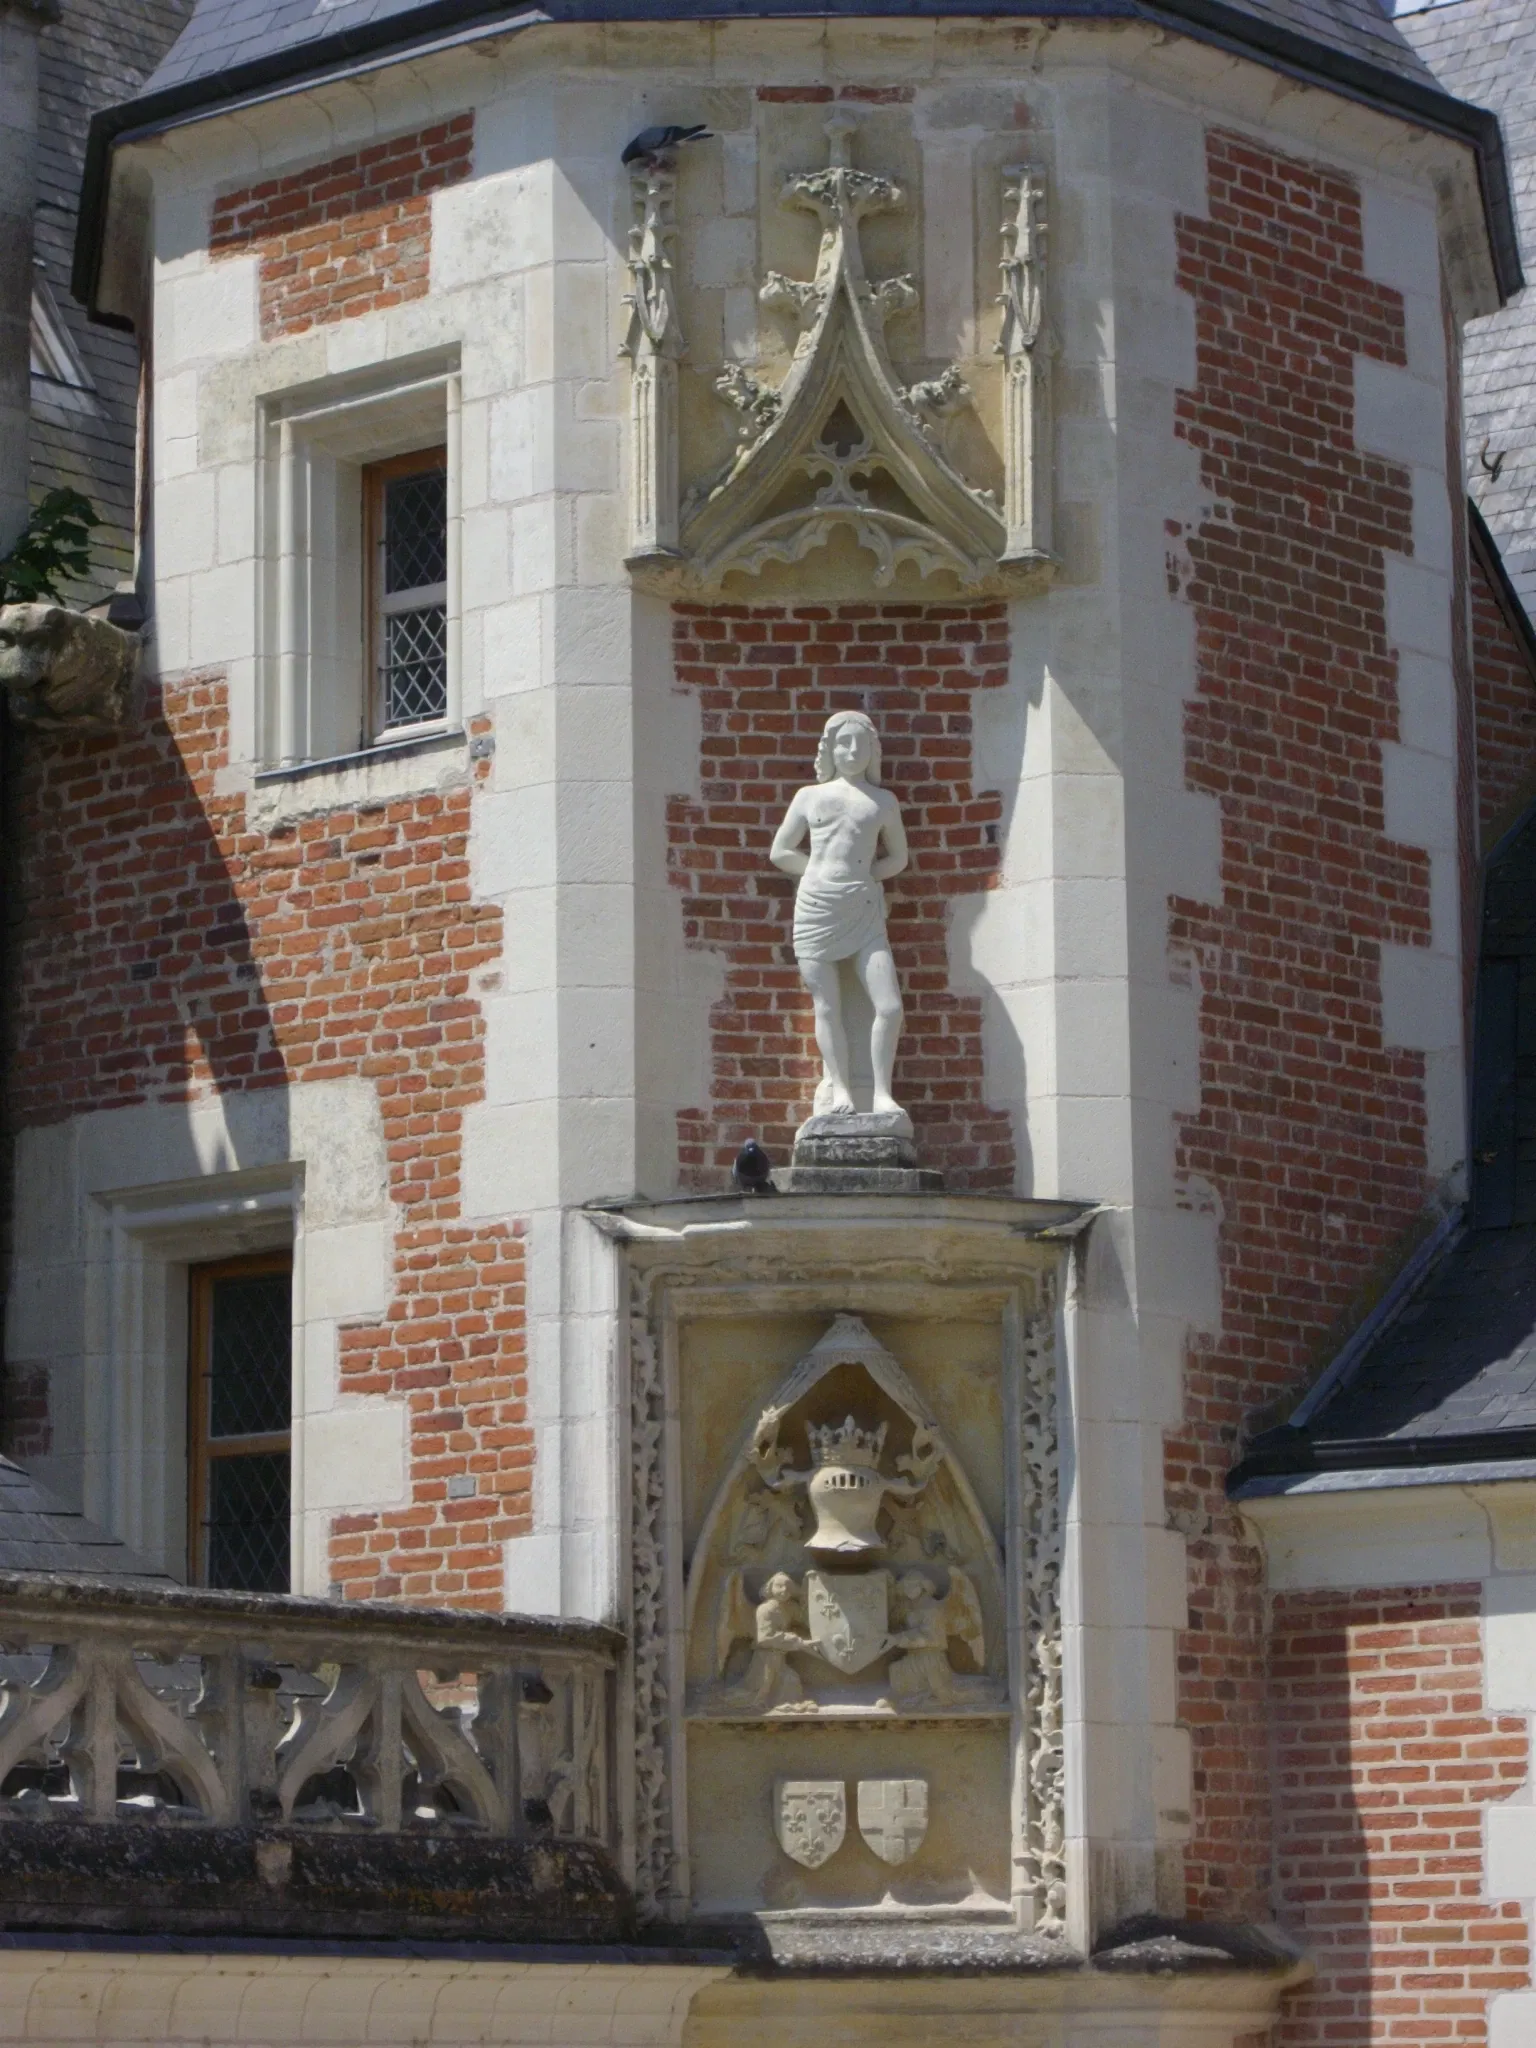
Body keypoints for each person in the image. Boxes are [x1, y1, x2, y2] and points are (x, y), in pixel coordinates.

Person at [769, 709, 909, 1122]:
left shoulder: (883, 802)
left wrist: (867, 879)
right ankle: (841, 1088)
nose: (851, 751)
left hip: (862, 908)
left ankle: (882, 1093)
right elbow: (781, 851)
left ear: (872, 751)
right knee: (826, 1006)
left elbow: (898, 857)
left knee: (890, 1006)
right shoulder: (809, 797)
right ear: (829, 749)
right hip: (815, 907)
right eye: (843, 744)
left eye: (859, 744)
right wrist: (814, 873)